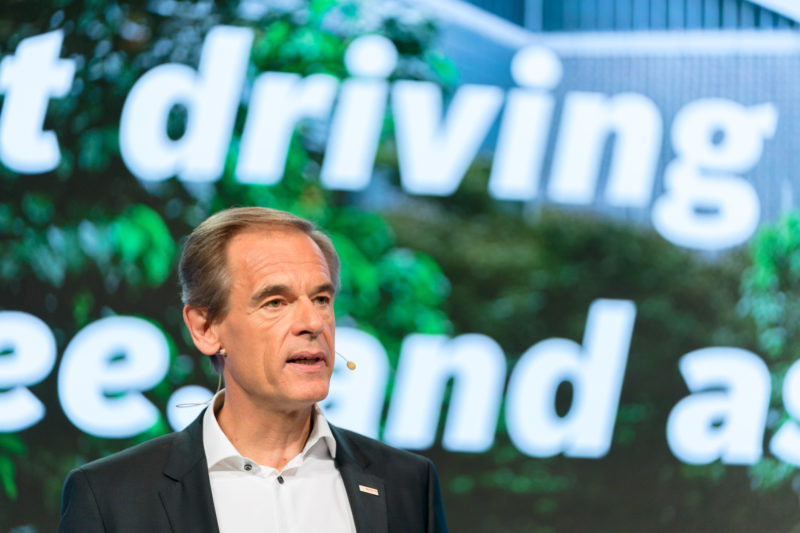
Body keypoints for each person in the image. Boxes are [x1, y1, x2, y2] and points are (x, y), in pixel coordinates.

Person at [57, 207, 448, 533]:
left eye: (321, 298)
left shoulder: (408, 485)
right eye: (275, 302)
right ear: (205, 328)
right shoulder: (111, 497)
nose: (312, 322)